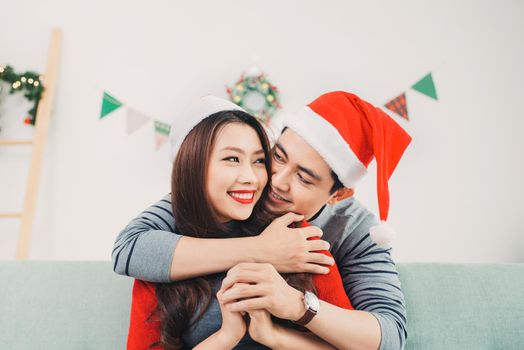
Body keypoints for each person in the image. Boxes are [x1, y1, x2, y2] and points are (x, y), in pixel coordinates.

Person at [113, 91, 411, 349]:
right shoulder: (229, 196)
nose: (273, 181)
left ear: (339, 194)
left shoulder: (330, 236)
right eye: (276, 157)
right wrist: (262, 249)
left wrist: (292, 308)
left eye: (304, 179)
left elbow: (388, 336)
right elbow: (130, 248)